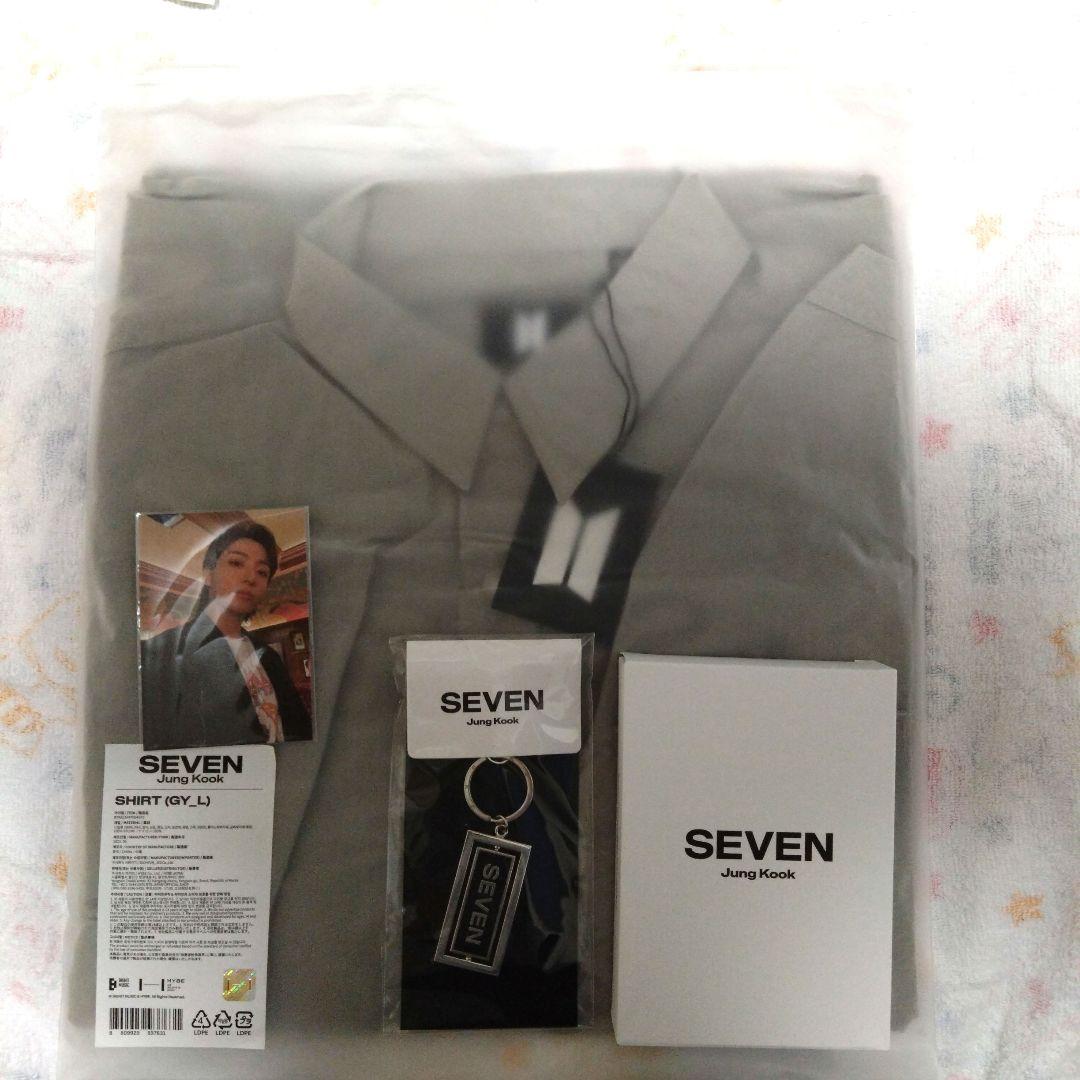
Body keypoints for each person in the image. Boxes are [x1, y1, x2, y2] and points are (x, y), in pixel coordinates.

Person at [140, 521, 312, 750]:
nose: (251, 577)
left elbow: (300, 729)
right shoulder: (159, 655)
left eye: (262, 572)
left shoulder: (269, 658)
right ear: (208, 574)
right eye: (236, 563)